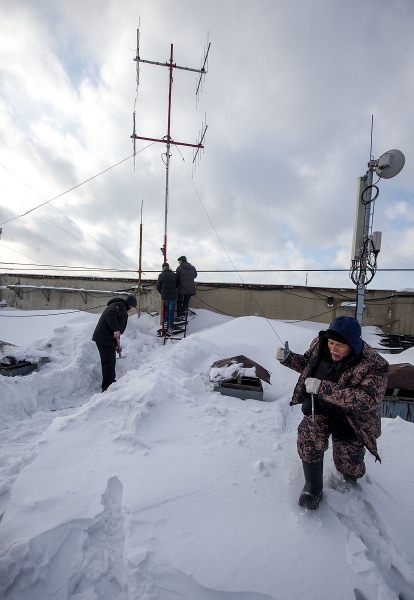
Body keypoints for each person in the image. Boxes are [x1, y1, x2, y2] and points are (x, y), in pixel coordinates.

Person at [276, 316, 389, 511]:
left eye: (339, 345)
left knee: (349, 467)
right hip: (320, 408)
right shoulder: (320, 345)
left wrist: (323, 388)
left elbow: (367, 400)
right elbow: (308, 365)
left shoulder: (374, 366)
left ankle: (351, 474)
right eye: (331, 342)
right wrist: (288, 358)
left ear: (353, 344)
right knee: (309, 436)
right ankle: (313, 487)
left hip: (350, 418)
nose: (333, 348)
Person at [92, 295, 137, 392]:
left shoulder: (121, 307)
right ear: (131, 305)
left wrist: (117, 345)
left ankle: (111, 383)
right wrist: (115, 329)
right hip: (104, 338)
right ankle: (107, 387)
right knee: (108, 362)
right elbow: (111, 315)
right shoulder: (120, 305)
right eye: (133, 308)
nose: (132, 310)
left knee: (110, 362)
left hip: (107, 339)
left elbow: (117, 329)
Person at [156, 263, 177, 334]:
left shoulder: (161, 275)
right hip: (172, 296)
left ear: (162, 268)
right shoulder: (174, 275)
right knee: (171, 311)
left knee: (167, 309)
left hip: (165, 296)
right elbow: (177, 284)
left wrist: (162, 293)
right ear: (169, 267)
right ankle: (170, 327)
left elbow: (158, 286)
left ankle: (165, 322)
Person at [176, 255, 197, 320]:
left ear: (181, 261)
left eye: (179, 261)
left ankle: (180, 315)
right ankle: (184, 314)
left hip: (182, 288)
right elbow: (195, 275)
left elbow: (177, 278)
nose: (179, 262)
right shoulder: (192, 267)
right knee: (186, 301)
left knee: (179, 302)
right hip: (190, 288)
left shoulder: (179, 268)